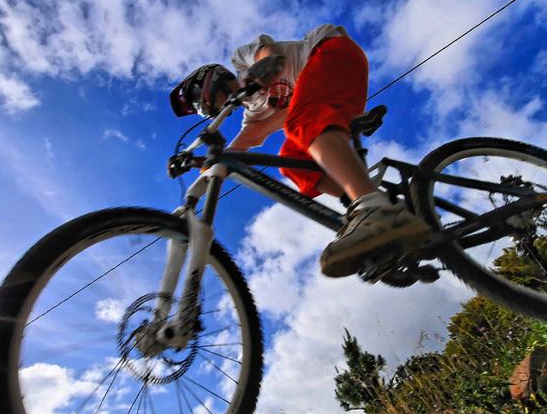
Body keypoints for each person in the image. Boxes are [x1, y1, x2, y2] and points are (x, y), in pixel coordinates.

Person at [170, 24, 431, 278]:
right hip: (328, 92)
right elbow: (239, 147)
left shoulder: (241, 64)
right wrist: (205, 165)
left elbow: (266, 51)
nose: (205, 111)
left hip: (331, 51)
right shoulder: (255, 113)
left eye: (200, 104)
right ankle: (369, 210)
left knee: (300, 121)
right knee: (290, 161)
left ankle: (372, 206)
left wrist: (265, 64)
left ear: (207, 83)